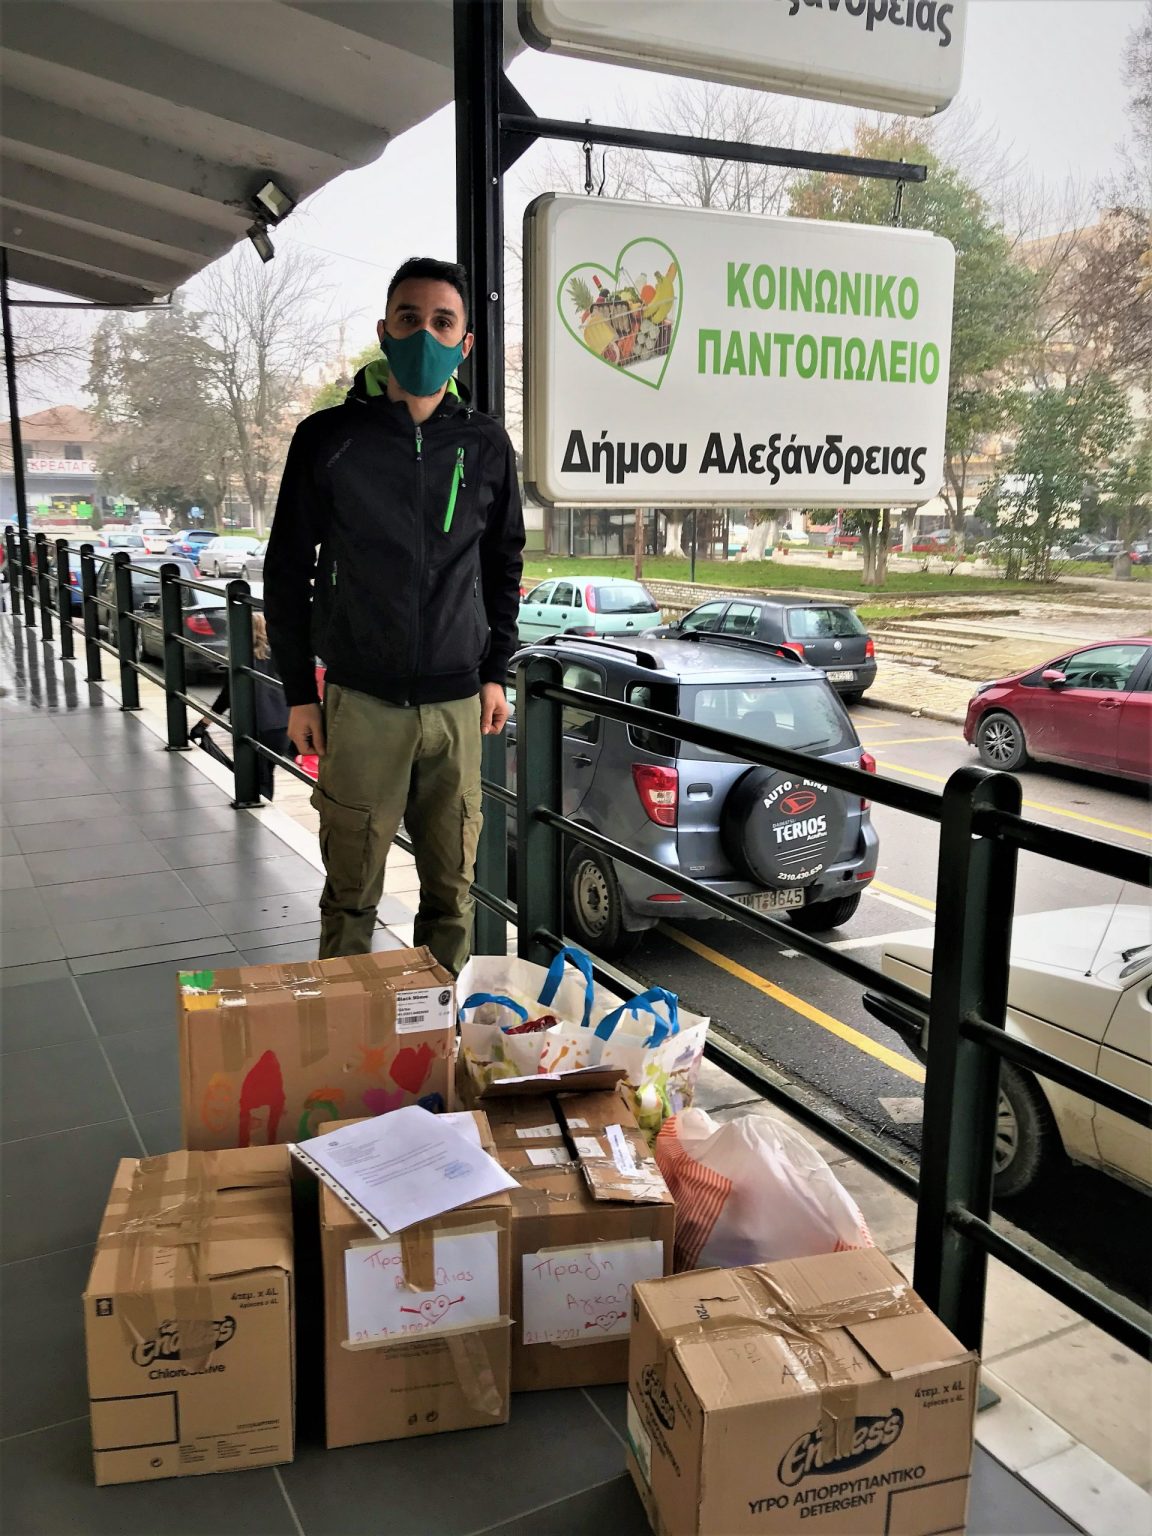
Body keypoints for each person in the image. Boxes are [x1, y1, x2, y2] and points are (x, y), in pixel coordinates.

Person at [263, 256, 524, 974]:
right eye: (410, 319)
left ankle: (434, 1030)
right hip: (361, 702)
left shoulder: (485, 444)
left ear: (465, 342)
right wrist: (299, 693)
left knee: (451, 896)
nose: (425, 335)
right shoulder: (328, 438)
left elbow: (503, 564)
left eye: (443, 322)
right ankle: (344, 1033)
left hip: (457, 705)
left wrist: (495, 672)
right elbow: (286, 569)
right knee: (351, 894)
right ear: (384, 330)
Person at [192, 612, 290, 801]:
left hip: (253, 726)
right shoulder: (279, 654)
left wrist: (203, 724)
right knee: (266, 773)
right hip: (282, 727)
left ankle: (256, 809)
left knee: (256, 775)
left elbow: (225, 698)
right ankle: (263, 805)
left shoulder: (241, 660)